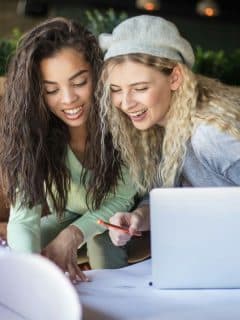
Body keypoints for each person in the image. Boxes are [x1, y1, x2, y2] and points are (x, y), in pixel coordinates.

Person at [0, 17, 138, 282]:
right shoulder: (33, 135)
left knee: (102, 241)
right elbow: (23, 218)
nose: (68, 99)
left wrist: (73, 235)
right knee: (23, 249)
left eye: (79, 83)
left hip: (123, 219)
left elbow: (121, 200)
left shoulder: (123, 118)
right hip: (71, 214)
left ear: (97, 74)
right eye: (51, 90)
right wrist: (29, 279)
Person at [98, 15, 240, 246]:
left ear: (175, 78)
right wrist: (138, 218)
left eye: (140, 88)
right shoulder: (159, 129)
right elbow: (168, 198)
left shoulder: (210, 135)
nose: (126, 103)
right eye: (115, 89)